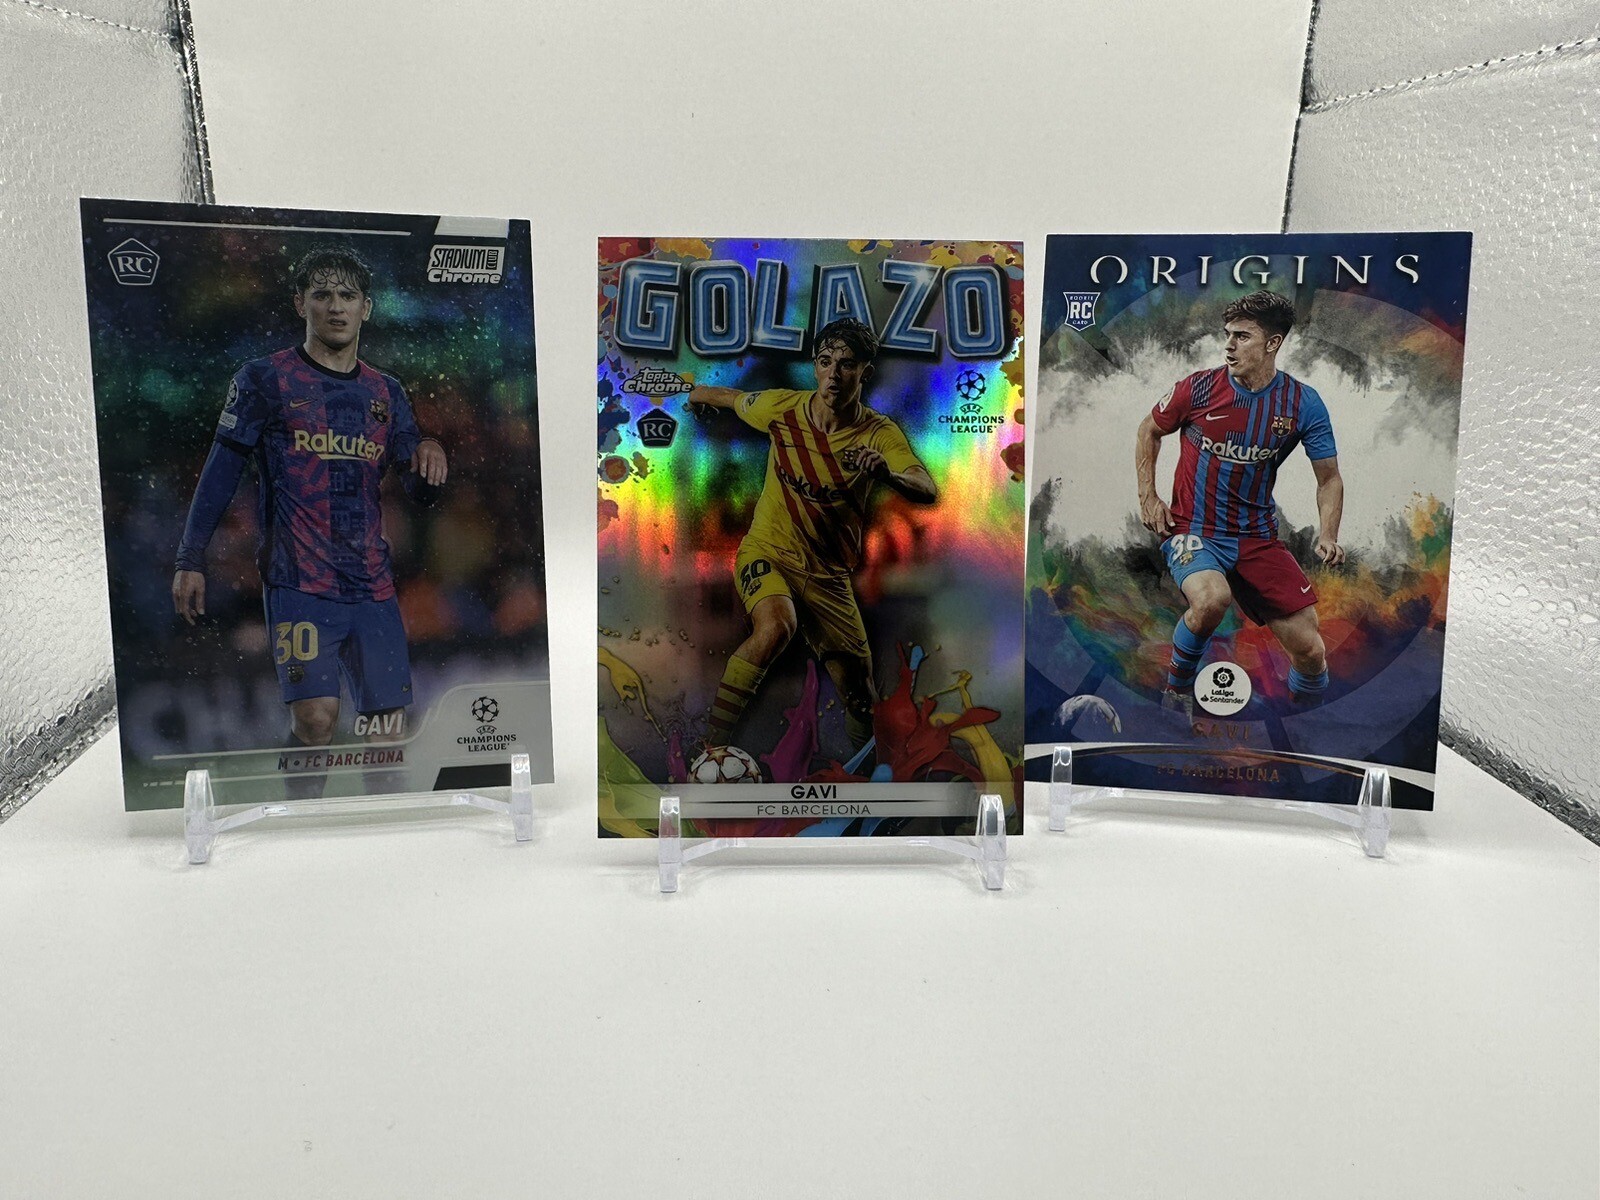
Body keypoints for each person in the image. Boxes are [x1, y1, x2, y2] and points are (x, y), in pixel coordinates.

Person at [172, 247, 447, 790]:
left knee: (387, 731)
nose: (336, 307)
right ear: (301, 304)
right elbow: (222, 470)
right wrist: (190, 557)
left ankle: (383, 826)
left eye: (347, 295)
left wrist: (430, 453)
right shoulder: (264, 379)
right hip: (299, 583)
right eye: (322, 295)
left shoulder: (386, 392)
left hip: (372, 586)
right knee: (316, 719)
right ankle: (299, 817)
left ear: (366, 308)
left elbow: (419, 491)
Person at [685, 318, 937, 755]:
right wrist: (694, 397)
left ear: (864, 372)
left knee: (860, 697)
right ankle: (711, 750)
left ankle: (866, 781)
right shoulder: (782, 408)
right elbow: (732, 398)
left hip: (828, 577)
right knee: (776, 626)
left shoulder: (879, 434)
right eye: (825, 362)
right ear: (815, 366)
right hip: (767, 552)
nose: (834, 374)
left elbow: (926, 488)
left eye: (847, 364)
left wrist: (887, 473)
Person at [1133, 290, 1343, 707]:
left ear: (1273, 343)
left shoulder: (1302, 403)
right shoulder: (1198, 388)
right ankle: (1176, 694)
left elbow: (1330, 478)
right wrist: (1148, 497)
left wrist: (1328, 534)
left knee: (1310, 650)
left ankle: (1310, 715)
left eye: (1242, 336)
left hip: (1257, 538)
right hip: (1193, 529)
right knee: (1211, 599)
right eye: (1227, 334)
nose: (1229, 345)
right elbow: (1148, 430)